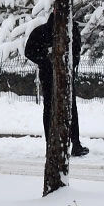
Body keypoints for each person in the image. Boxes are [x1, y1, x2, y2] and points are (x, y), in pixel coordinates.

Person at [25, 13, 89, 157]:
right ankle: (52, 143)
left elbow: (77, 52)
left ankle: (74, 143)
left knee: (69, 107)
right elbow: (29, 52)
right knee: (50, 107)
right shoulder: (41, 32)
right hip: (48, 76)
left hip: (66, 75)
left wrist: (68, 64)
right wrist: (46, 61)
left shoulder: (71, 31)